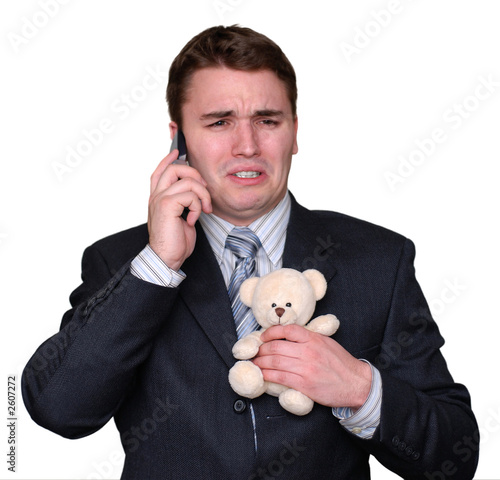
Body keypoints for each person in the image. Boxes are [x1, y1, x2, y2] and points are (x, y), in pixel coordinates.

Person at [22, 25, 479, 479]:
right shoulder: (122, 262)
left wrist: (361, 390)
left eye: (267, 120)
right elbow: (58, 408)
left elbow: (454, 459)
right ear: (178, 141)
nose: (247, 146)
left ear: (294, 133)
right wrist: (158, 264)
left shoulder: (380, 260)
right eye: (220, 122)